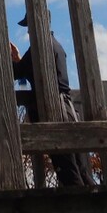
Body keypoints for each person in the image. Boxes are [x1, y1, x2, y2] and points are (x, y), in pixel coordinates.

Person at [10, 12, 94, 186]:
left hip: (55, 110)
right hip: (67, 108)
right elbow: (27, 69)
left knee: (67, 168)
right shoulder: (56, 44)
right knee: (79, 166)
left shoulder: (40, 46)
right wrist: (19, 59)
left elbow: (17, 72)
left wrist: (9, 61)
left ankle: (81, 208)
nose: (28, 32)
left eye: (29, 27)